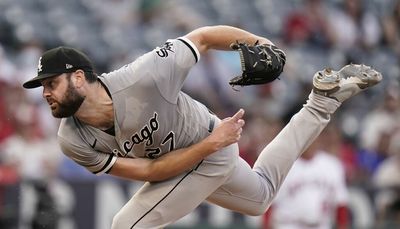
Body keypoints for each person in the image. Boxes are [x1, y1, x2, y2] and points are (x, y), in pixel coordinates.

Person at [22, 25, 382, 228]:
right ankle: (323, 101)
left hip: (209, 146)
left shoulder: (143, 77)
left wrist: (261, 44)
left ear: (80, 78)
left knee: (126, 226)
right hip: (201, 151)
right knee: (259, 197)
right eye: (43, 87)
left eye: (51, 83)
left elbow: (204, 37)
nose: (46, 93)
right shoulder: (72, 138)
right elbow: (149, 170)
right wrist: (212, 145)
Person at [263, 124, 349, 229]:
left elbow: (340, 205)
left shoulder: (332, 165)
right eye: (305, 136)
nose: (309, 141)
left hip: (320, 225)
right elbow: (269, 206)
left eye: (313, 136)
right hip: (288, 224)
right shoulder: (284, 165)